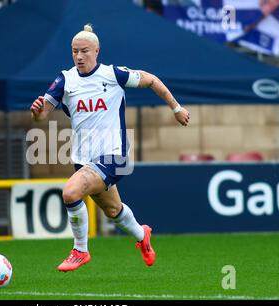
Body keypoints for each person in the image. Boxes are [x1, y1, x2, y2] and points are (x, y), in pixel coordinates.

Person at [30, 24, 190, 272]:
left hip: (115, 155)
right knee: (113, 210)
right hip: (84, 158)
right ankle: (142, 235)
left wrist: (176, 108)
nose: (79, 57)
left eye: (84, 51)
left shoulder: (113, 74)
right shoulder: (66, 79)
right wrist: (37, 111)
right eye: (74, 52)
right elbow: (42, 116)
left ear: (96, 51)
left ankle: (80, 250)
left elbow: (151, 80)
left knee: (71, 192)